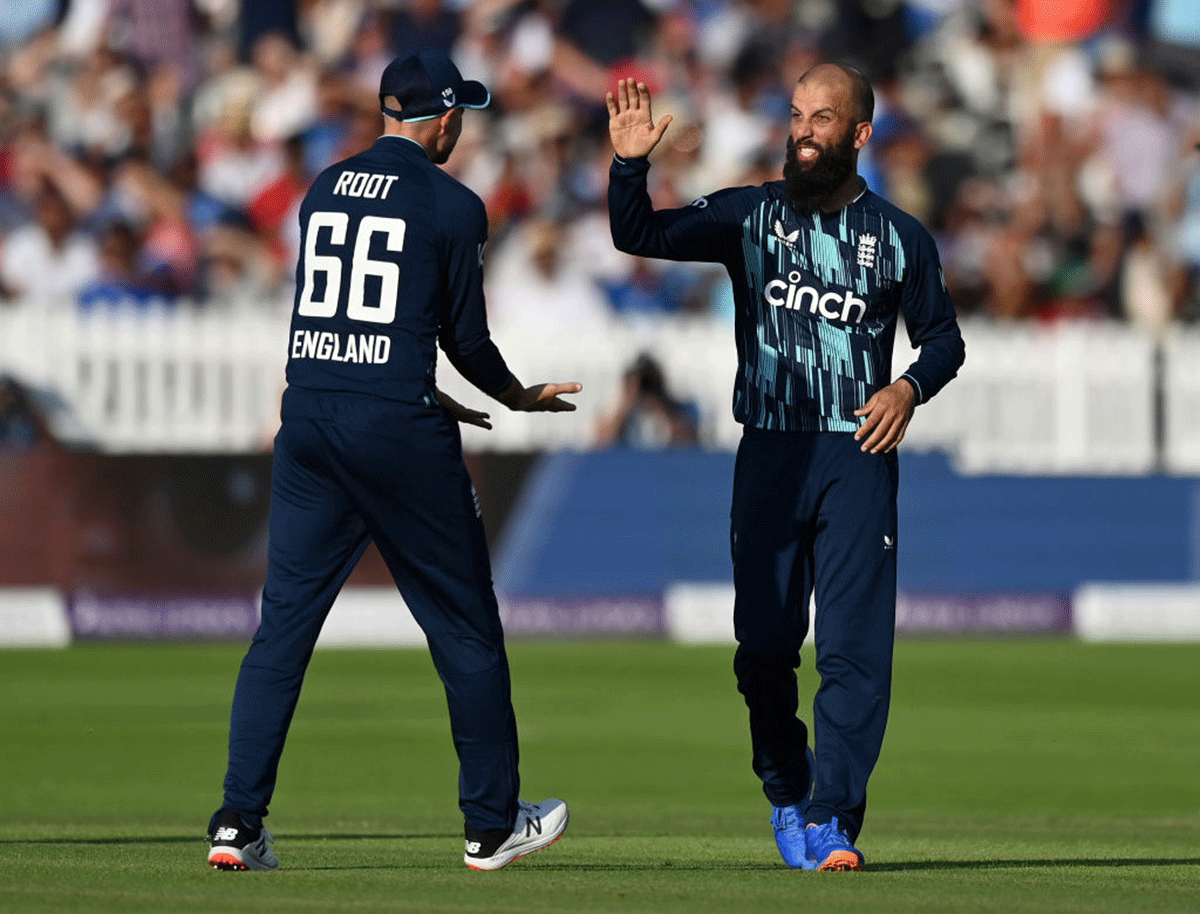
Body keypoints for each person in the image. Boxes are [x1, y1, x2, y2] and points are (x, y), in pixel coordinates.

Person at [207, 49, 580, 873]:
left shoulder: (322, 187)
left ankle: (237, 823)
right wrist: (515, 396)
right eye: (461, 116)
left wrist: (407, 380)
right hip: (394, 430)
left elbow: (349, 317)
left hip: (309, 414)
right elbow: (467, 340)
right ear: (443, 118)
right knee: (465, 624)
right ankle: (491, 825)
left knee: (284, 629)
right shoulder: (454, 204)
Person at [606, 66, 965, 871]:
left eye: (823, 119)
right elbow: (641, 236)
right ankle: (787, 783)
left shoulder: (901, 237)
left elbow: (944, 339)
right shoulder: (752, 213)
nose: (803, 131)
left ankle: (833, 818)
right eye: (797, 114)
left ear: (860, 135)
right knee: (763, 649)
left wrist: (908, 387)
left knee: (854, 652)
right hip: (771, 448)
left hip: (856, 454)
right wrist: (630, 165)